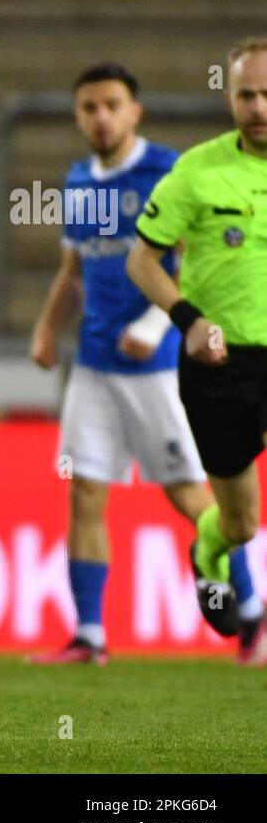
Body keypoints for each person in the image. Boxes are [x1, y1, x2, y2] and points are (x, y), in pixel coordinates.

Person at [29, 63, 260, 663]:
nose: (100, 117)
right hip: (95, 365)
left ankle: (251, 611)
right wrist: (48, 328)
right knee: (84, 490)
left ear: (136, 111)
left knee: (192, 496)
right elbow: (75, 268)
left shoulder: (170, 172)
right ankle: (90, 635)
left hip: (159, 365)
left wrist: (159, 323)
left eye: (111, 104)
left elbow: (190, 260)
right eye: (88, 107)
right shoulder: (78, 181)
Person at [126, 36, 267, 664]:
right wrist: (188, 319)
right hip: (221, 366)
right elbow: (141, 259)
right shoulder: (197, 171)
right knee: (240, 524)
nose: (259, 105)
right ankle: (208, 555)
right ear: (229, 96)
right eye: (246, 94)